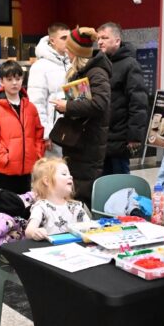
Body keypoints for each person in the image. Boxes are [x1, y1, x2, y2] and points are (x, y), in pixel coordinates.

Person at [51, 27, 111, 207]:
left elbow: (100, 104)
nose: (66, 52)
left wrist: (68, 106)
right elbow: (84, 103)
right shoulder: (81, 71)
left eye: (69, 49)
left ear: (77, 53)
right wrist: (66, 107)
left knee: (84, 193)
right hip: (78, 143)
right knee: (75, 190)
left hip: (89, 144)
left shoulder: (97, 73)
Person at [0, 60, 45, 194]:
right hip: (4, 169)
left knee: (25, 201)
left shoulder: (30, 107)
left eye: (18, 78)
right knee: (6, 203)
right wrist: (3, 158)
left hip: (27, 168)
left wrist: (37, 154)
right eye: (9, 79)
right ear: (2, 81)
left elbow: (38, 132)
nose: (14, 83)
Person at [97, 22, 148, 174]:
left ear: (117, 40)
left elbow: (138, 103)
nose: (100, 42)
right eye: (98, 38)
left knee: (120, 181)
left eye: (105, 38)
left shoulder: (130, 65)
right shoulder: (100, 63)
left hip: (120, 137)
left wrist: (134, 137)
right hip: (101, 136)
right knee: (102, 181)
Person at [27, 22, 71, 157]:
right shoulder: (40, 67)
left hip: (72, 130)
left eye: (69, 38)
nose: (68, 41)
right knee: (53, 168)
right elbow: (36, 104)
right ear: (52, 41)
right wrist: (45, 134)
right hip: (53, 134)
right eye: (63, 38)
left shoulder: (72, 63)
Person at [25, 157, 90, 240]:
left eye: (69, 174)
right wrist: (35, 232)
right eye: (64, 174)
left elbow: (90, 227)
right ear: (47, 181)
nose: (70, 177)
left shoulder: (76, 207)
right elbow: (29, 231)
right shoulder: (41, 207)